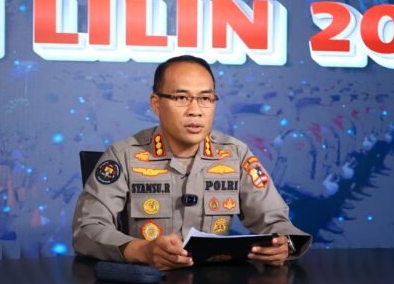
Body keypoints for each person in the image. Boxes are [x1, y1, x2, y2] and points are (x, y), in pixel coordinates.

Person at [72, 56, 311, 270]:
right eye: (181, 98)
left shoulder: (236, 155)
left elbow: (276, 221)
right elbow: (87, 229)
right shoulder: (123, 156)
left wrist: (284, 245)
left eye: (205, 98)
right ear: (156, 104)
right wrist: (141, 250)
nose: (195, 111)